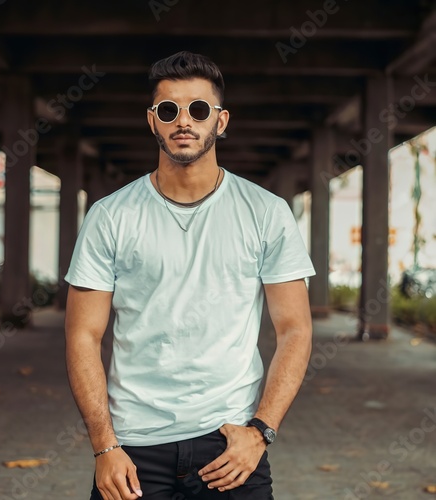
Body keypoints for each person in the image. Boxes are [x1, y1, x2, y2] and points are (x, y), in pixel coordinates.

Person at [64, 50, 316, 500]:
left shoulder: (266, 213)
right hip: (133, 448)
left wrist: (261, 431)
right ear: (152, 121)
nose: (184, 121)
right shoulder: (110, 217)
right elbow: (83, 334)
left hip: (231, 446)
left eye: (198, 109)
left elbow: (295, 329)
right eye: (169, 110)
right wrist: (104, 446)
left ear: (220, 121)